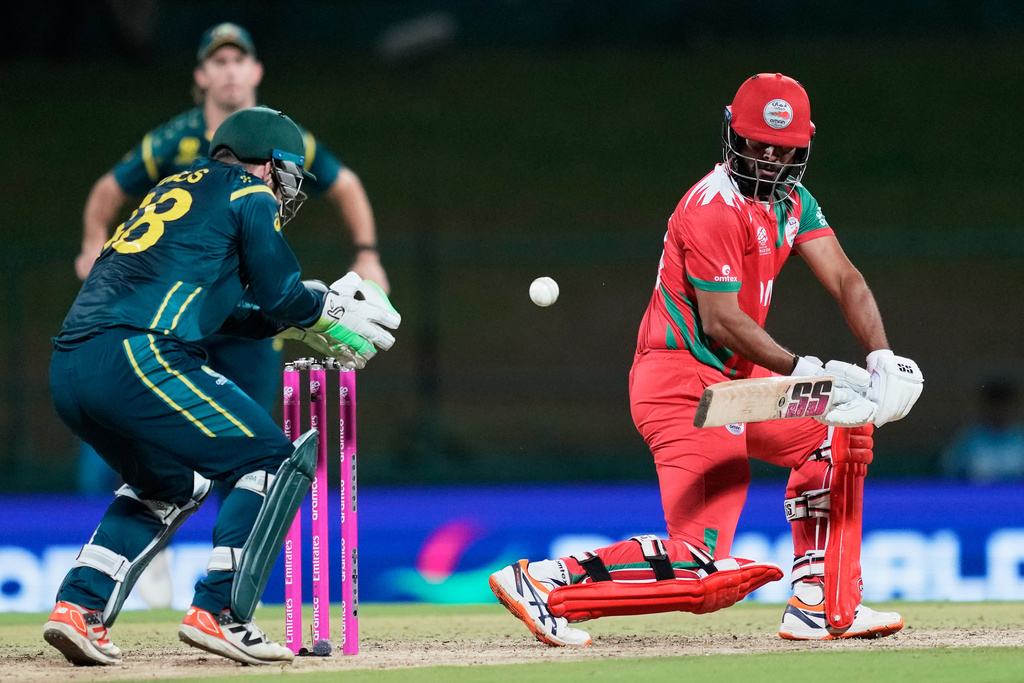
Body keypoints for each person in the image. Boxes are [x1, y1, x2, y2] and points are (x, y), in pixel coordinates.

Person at [489, 73, 924, 645]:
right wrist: (802, 369)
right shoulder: (710, 207)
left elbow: (845, 277)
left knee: (831, 434)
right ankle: (544, 581)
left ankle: (819, 601)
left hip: (738, 378)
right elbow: (721, 320)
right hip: (681, 381)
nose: (769, 160)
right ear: (733, 137)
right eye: (757, 145)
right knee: (698, 564)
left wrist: (881, 355)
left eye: (783, 149)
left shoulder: (796, 201)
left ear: (803, 146)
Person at [43, 106, 401, 666]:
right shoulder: (248, 194)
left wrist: (303, 314)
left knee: (168, 484)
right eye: (286, 174)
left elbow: (231, 310)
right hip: (140, 353)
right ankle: (223, 613)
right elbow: (281, 293)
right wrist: (322, 308)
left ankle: (78, 609)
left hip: (70, 365)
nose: (287, 191)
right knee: (268, 458)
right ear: (266, 164)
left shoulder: (180, 187)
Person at [75, 21, 388, 417]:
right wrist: (92, 245)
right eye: (219, 61)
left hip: (248, 305)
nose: (230, 70)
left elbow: (345, 184)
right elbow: (109, 188)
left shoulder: (284, 137)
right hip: (182, 307)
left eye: (238, 60)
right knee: (172, 435)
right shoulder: (176, 138)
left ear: (256, 70)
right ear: (201, 75)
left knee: (245, 426)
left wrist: (367, 253)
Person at [941, 379, 1024, 481]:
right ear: (986, 406)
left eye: (1003, 405)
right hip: (976, 496)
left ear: (1012, 406)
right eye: (994, 405)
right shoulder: (968, 440)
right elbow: (948, 476)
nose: (999, 410)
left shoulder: (1021, 439)